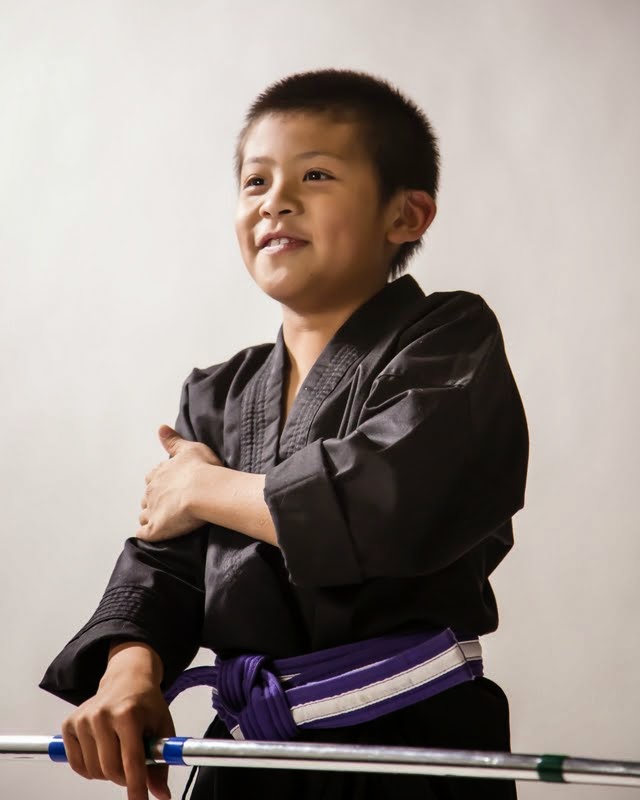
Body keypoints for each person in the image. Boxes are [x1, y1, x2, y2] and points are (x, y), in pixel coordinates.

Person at [40, 68, 529, 800]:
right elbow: (166, 562)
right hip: (245, 755)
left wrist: (202, 486)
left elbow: (386, 504)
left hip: (412, 749)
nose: (276, 201)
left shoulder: (450, 339)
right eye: (255, 182)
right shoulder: (216, 393)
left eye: (316, 175)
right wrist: (129, 672)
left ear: (407, 215)